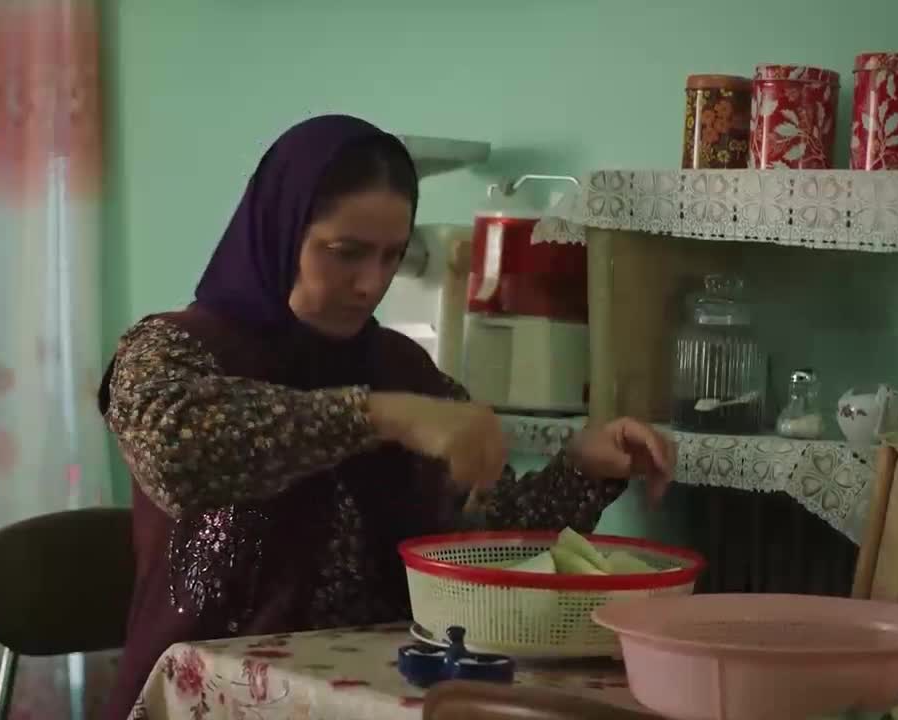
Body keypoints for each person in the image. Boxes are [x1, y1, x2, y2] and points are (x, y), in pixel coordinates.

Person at [97, 114, 674, 718]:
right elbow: (175, 452)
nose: (370, 284)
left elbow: (475, 540)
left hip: (374, 699)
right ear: (279, 230)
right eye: (345, 254)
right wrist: (380, 416)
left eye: (391, 256)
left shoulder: (402, 368)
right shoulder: (173, 349)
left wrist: (583, 467)